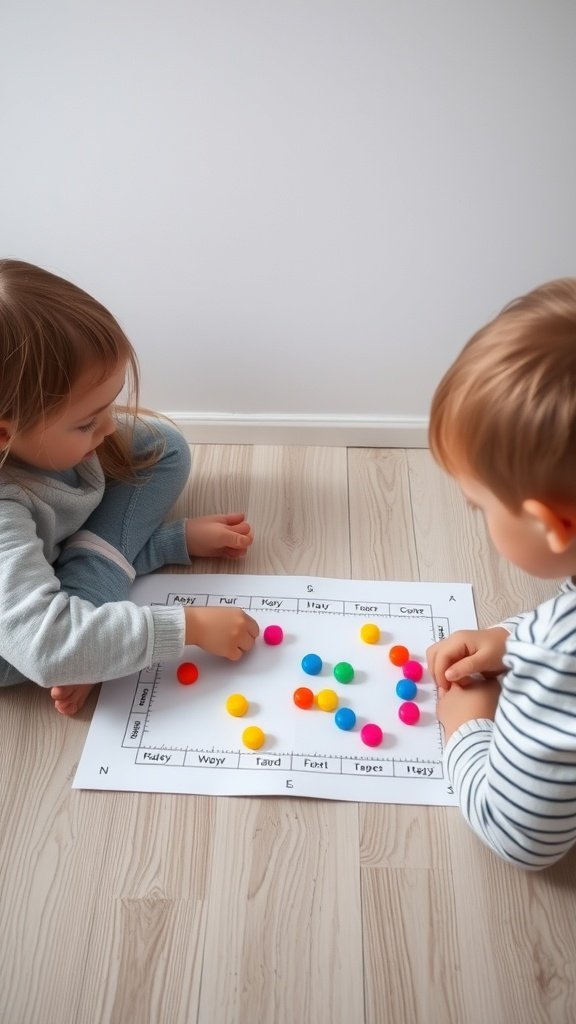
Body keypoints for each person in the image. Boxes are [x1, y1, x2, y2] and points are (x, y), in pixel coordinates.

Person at [0, 259, 259, 716]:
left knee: (163, 445)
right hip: (14, 647)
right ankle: (87, 641)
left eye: (110, 405)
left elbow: (162, 448)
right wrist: (188, 626)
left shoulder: (52, 437)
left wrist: (163, 542)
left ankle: (90, 632)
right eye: (86, 423)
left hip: (40, 583)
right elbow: (41, 647)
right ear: (5, 434)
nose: (109, 427)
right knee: (36, 653)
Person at [426, 277, 576, 870]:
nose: (478, 516)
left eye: (479, 506)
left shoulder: (560, 658)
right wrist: (510, 638)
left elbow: (522, 838)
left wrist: (468, 728)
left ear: (551, 524)